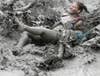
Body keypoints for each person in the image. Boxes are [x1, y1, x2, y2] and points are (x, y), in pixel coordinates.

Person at [15, 1, 89, 57]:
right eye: (71, 6)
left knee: (42, 30)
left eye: (74, 7)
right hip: (50, 34)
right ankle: (18, 49)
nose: (71, 7)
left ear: (78, 11)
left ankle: (24, 27)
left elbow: (73, 33)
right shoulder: (65, 14)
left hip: (58, 37)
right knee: (27, 33)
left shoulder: (78, 20)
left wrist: (72, 24)